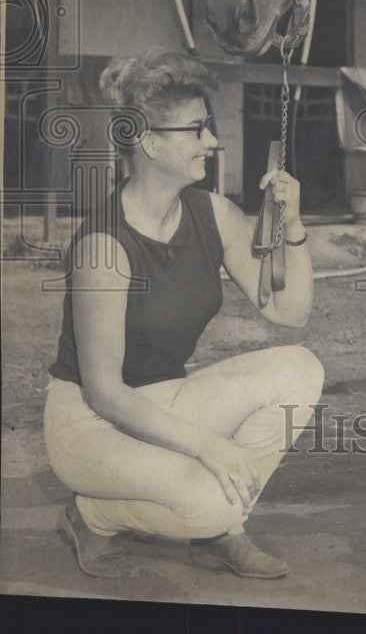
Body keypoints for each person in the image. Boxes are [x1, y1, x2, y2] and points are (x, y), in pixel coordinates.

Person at [44, 48, 324, 580]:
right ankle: (93, 513)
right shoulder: (103, 244)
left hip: (165, 401)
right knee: (209, 502)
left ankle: (219, 521)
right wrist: (210, 448)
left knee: (301, 366)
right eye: (197, 130)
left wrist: (293, 226)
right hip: (90, 422)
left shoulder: (212, 214)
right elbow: (104, 392)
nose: (213, 142)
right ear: (150, 142)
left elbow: (291, 314)